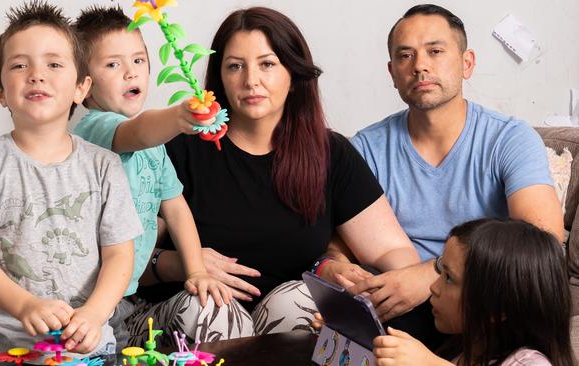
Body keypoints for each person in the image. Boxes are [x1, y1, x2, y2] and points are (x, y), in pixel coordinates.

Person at [128, 6, 420, 346]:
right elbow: (123, 260)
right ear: (219, 77)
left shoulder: (329, 153)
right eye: (235, 66)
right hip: (175, 319)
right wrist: (183, 263)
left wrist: (367, 276)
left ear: (293, 74)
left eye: (267, 64)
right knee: (213, 308)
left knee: (304, 303)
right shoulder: (178, 151)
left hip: (280, 318)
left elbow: (394, 252)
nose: (251, 80)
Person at [329, 4, 564, 325]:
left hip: (480, 299)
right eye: (405, 55)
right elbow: (339, 236)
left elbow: (542, 240)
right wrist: (336, 264)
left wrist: (433, 274)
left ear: (467, 63)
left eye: (435, 51)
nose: (420, 66)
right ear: (392, 73)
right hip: (394, 301)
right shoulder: (365, 148)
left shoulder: (509, 139)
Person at [0, 1, 143, 363]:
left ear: (82, 87)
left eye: (54, 64)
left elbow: (119, 255)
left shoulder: (104, 165)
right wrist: (24, 305)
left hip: (87, 341)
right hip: (4, 343)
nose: (37, 75)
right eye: (20, 65)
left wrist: (95, 314)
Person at [72, 5, 232, 349]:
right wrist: (178, 116)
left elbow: (175, 208)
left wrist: (196, 271)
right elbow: (139, 131)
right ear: (84, 86)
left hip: (125, 292)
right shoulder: (95, 129)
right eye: (113, 64)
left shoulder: (155, 149)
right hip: (84, 291)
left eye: (139, 60)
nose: (131, 72)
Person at [372, 218, 575, 366]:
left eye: (449, 278)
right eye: (441, 270)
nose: (434, 287)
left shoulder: (529, 362)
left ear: (496, 309)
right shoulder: (461, 350)